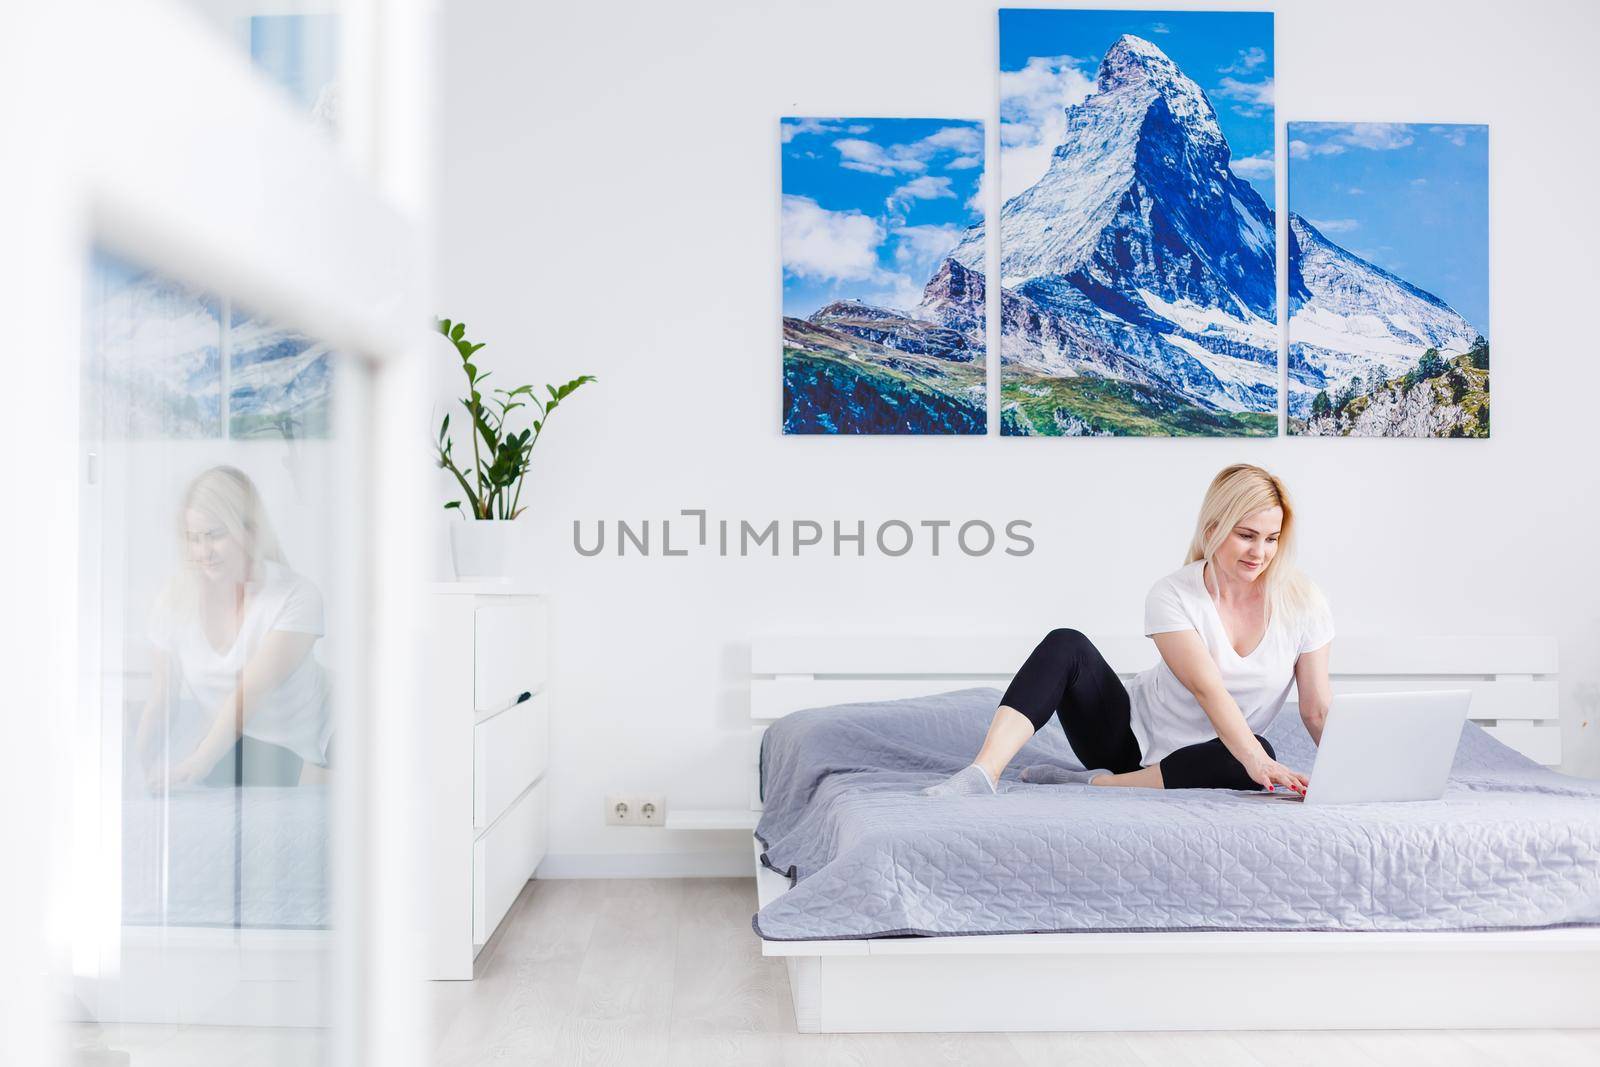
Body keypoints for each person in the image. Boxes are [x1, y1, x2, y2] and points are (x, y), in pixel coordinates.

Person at [924, 463, 1333, 797]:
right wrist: (1256, 761)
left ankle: (1097, 784)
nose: (1259, 552)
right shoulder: (1172, 594)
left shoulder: (1303, 601)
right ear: (1213, 530)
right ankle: (983, 773)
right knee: (1066, 643)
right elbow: (1208, 688)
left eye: (1271, 539)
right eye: (1246, 536)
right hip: (1125, 740)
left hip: (1210, 756)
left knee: (1256, 752)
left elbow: (1315, 709)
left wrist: (1351, 774)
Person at [134, 465, 334, 789]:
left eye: (215, 536)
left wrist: (199, 763)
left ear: (249, 532)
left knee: (215, 761)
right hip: (245, 744)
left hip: (323, 741)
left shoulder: (297, 596)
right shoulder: (173, 604)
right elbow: (161, 700)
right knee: (221, 760)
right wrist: (136, 774)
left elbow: (248, 694)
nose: (203, 552)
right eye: (194, 539)